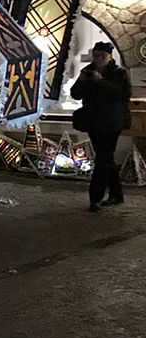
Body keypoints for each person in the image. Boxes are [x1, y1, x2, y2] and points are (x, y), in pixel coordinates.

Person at [71, 42, 130, 212]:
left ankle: (95, 197)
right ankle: (116, 194)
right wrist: (82, 81)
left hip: (112, 123)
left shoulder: (119, 73)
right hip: (94, 122)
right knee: (106, 158)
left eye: (102, 56)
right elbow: (75, 94)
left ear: (110, 57)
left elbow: (119, 94)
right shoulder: (88, 72)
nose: (99, 60)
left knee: (102, 158)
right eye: (96, 56)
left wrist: (101, 81)